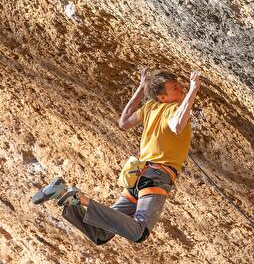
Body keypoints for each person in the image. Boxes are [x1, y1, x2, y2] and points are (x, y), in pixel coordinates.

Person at [32, 68, 201, 245]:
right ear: (162, 97)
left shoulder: (151, 107)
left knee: (100, 234)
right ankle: (79, 198)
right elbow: (176, 125)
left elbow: (125, 122)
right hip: (156, 177)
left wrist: (141, 86)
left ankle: (63, 194)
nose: (181, 88)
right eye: (175, 88)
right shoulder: (173, 108)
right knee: (139, 232)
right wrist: (193, 89)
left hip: (139, 177)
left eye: (180, 86)